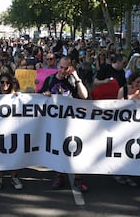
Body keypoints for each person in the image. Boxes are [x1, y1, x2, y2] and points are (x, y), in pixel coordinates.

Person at [39, 56, 89, 192]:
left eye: (65, 68)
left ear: (70, 68)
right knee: (59, 150)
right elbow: (40, 98)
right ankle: (59, 175)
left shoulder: (72, 80)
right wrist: (45, 95)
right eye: (60, 67)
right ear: (57, 65)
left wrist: (76, 77)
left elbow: (84, 96)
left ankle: (78, 179)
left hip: (73, 122)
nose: (62, 70)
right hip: (57, 123)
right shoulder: (50, 80)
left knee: (77, 150)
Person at [114, 71, 140, 187]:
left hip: (136, 127)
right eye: (137, 82)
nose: (139, 84)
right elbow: (116, 106)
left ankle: (128, 174)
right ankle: (118, 173)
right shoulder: (123, 90)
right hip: (122, 125)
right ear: (132, 81)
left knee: (131, 151)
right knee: (121, 150)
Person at [0, 73, 23, 190]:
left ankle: (14, 177)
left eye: (7, 82)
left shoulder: (16, 96)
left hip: (12, 130)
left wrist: (19, 96)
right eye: (2, 82)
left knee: (13, 153)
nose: (5, 85)